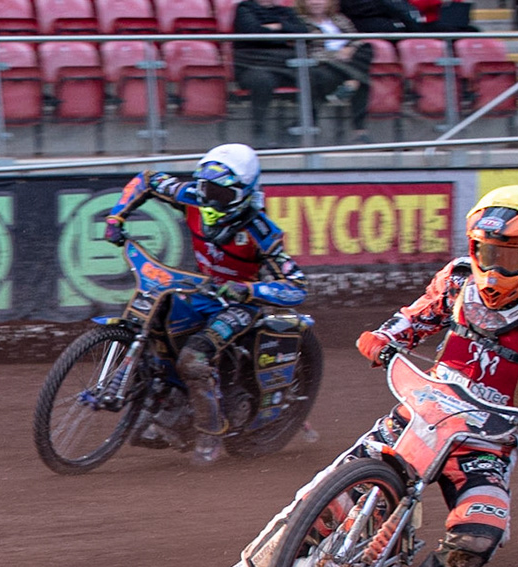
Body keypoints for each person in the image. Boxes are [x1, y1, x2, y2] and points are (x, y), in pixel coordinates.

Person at [202, 186, 518, 567]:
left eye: (512, 256)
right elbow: (413, 320)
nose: (495, 268)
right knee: (331, 489)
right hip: (422, 411)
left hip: (486, 442)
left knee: (481, 529)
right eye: (488, 252)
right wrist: (383, 337)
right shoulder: (457, 279)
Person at [103, 143, 308, 465]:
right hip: (202, 289)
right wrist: (118, 215)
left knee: (193, 358)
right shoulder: (190, 196)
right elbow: (146, 179)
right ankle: (164, 401)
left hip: (240, 304)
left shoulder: (262, 231)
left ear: (244, 193)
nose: (210, 200)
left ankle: (209, 434)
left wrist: (248, 289)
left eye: (221, 194)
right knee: (158, 327)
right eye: (206, 189)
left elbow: (297, 286)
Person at [233, 0, 311, 146]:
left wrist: (279, 26)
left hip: (285, 66)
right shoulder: (245, 8)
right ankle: (259, 129)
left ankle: (295, 128)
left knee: (317, 77)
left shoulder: (285, 11)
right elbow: (253, 33)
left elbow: (304, 33)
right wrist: (285, 38)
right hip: (253, 66)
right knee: (263, 80)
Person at [300, 0, 376, 143]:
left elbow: (356, 40)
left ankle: (352, 81)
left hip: (350, 60)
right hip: (325, 64)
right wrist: (336, 55)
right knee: (363, 80)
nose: (316, 2)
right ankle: (360, 131)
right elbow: (310, 51)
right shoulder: (300, 22)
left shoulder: (339, 19)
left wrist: (350, 49)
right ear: (303, 3)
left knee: (368, 48)